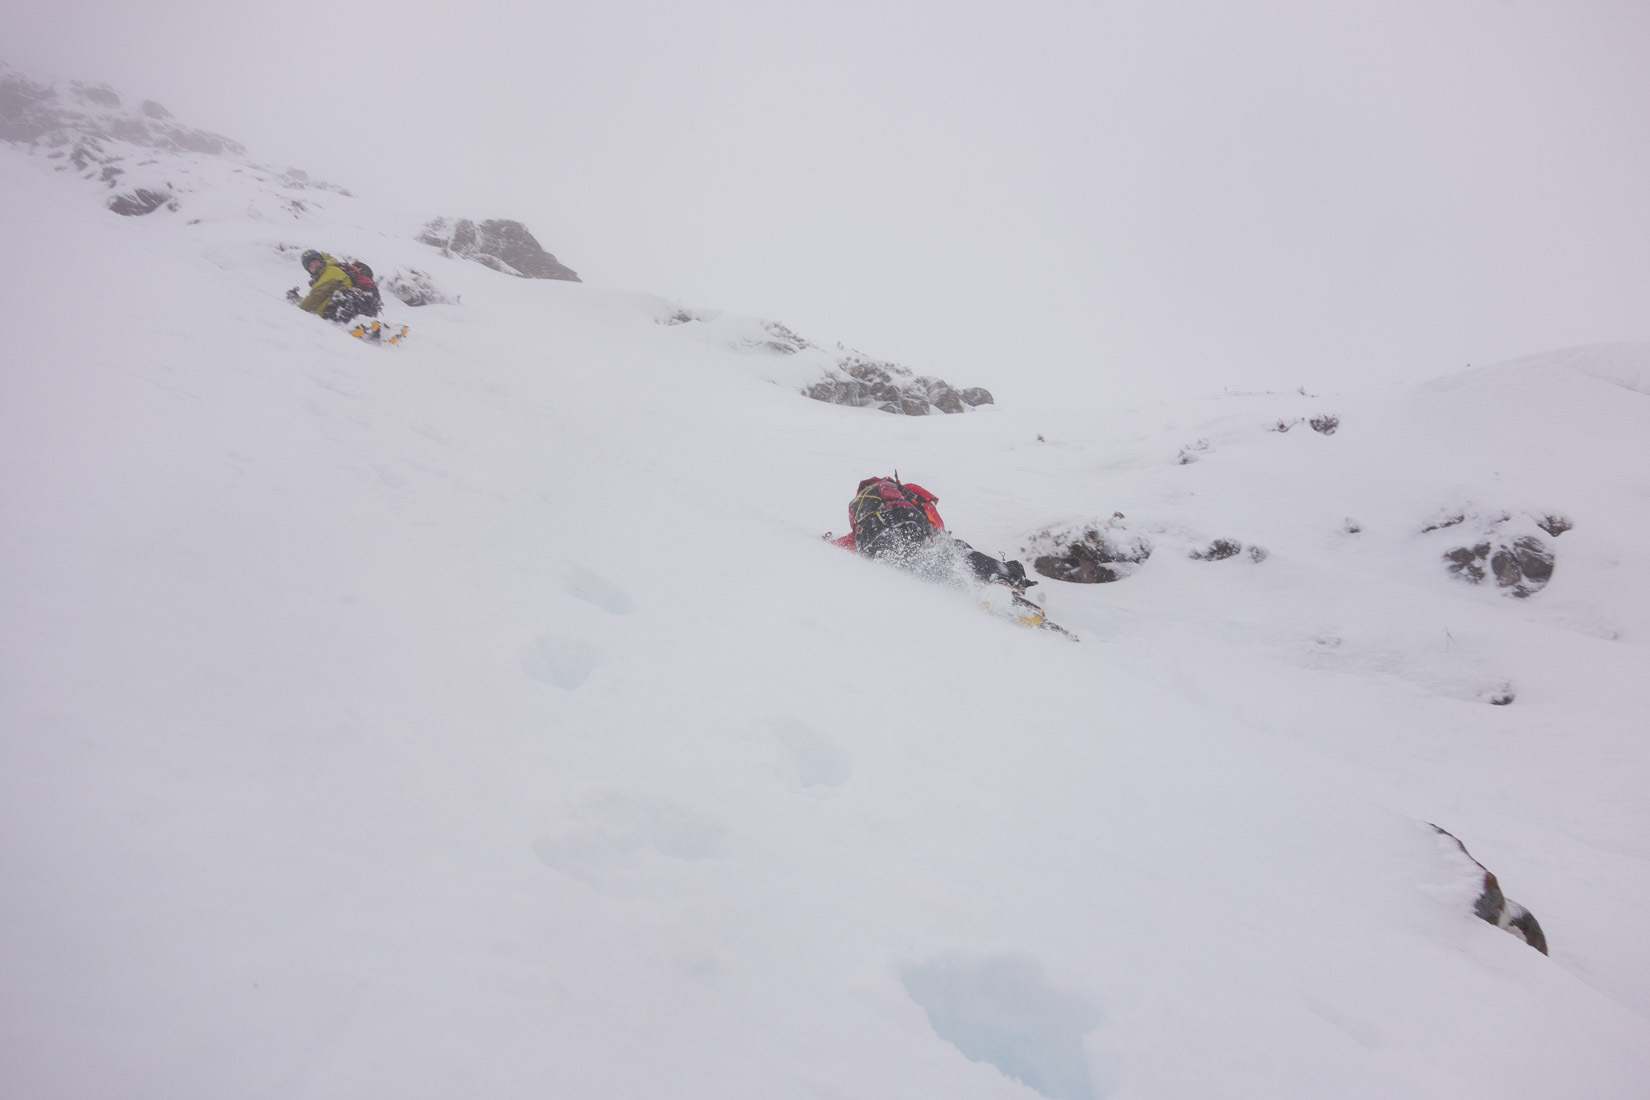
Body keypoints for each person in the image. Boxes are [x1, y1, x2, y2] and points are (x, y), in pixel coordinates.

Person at [828, 475, 1033, 590]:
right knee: (958, 551)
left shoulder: (866, 509)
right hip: (907, 530)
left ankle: (969, 588)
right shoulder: (903, 490)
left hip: (874, 547)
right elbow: (929, 511)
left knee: (918, 565)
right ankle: (1008, 579)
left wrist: (828, 544)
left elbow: (854, 540)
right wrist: (939, 536)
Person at [287, 249, 381, 326]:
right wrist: (298, 299)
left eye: (315, 262)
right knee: (329, 307)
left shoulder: (330, 270)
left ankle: (351, 325)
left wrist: (297, 310)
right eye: (310, 266)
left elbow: (315, 296)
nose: (314, 266)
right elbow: (318, 300)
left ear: (321, 261)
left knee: (331, 306)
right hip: (364, 305)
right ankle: (374, 329)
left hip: (353, 303)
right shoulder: (325, 274)